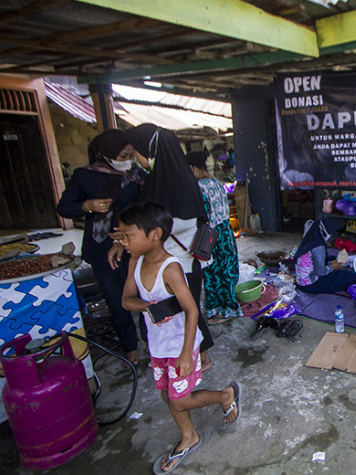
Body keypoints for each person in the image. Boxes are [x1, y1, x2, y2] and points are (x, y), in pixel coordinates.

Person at [118, 201, 240, 474]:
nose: (123, 241)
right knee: (166, 395)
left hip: (181, 344)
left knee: (180, 400)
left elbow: (191, 309)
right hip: (158, 345)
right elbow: (126, 300)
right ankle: (189, 436)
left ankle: (224, 395)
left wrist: (187, 353)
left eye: (128, 235)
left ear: (154, 234)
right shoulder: (134, 262)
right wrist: (148, 306)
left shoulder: (171, 268)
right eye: (122, 235)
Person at [109, 123, 214, 371]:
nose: (135, 157)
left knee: (185, 310)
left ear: (150, 149)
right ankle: (199, 356)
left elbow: (166, 224)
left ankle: (197, 358)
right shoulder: (170, 178)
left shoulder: (170, 183)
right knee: (185, 309)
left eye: (137, 151)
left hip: (181, 262)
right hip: (181, 259)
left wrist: (128, 235)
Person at [57, 129, 143, 365]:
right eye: (123, 155)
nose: (127, 160)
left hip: (135, 244)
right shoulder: (86, 176)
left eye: (130, 155)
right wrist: (87, 205)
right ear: (108, 153)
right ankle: (130, 350)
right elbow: (64, 207)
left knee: (146, 295)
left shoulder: (137, 175)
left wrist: (125, 234)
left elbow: (146, 207)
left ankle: (154, 343)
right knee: (117, 301)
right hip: (102, 247)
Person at [185, 151, 242, 324]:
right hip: (225, 232)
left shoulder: (200, 187)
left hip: (211, 236)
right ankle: (229, 307)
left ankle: (218, 312)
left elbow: (203, 215)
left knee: (213, 273)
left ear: (193, 168)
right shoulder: (217, 182)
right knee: (227, 270)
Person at [294, 218, 356, 293]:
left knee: (332, 258)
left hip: (300, 282)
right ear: (323, 232)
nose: (330, 236)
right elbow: (320, 272)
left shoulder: (309, 238)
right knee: (350, 277)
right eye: (329, 233)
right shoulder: (318, 247)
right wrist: (332, 267)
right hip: (311, 285)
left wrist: (330, 264)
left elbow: (313, 262)